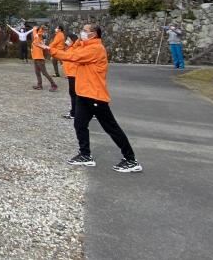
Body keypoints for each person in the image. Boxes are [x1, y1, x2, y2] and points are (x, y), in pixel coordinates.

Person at [46, 24, 142, 173]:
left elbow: (72, 56)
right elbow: (74, 50)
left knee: (111, 128)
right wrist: (79, 41)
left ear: (94, 34)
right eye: (83, 30)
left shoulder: (96, 49)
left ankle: (131, 159)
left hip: (95, 95)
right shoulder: (85, 46)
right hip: (84, 94)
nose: (82, 33)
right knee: (79, 124)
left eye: (85, 31)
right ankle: (85, 155)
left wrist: (49, 49)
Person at [30, 25, 58, 91]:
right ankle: (39, 85)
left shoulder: (38, 37)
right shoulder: (36, 39)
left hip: (40, 58)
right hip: (36, 58)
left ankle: (54, 85)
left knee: (44, 73)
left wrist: (35, 28)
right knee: (37, 72)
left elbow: (37, 32)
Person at [61, 30, 79, 120]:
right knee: (74, 94)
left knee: (74, 94)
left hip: (74, 74)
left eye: (68, 39)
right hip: (71, 74)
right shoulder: (70, 48)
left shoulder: (74, 49)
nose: (66, 41)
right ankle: (74, 111)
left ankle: (74, 113)